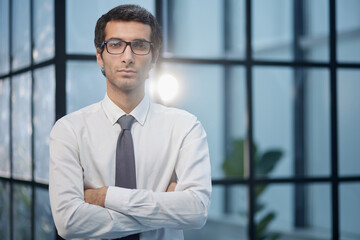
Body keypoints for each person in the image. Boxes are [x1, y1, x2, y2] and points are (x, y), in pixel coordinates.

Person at [49, 4, 211, 240]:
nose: (127, 56)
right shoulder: (69, 130)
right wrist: (166, 211)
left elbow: (197, 211)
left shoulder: (186, 127)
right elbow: (69, 222)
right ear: (99, 56)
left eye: (139, 45)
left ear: (154, 58)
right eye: (115, 45)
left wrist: (104, 196)